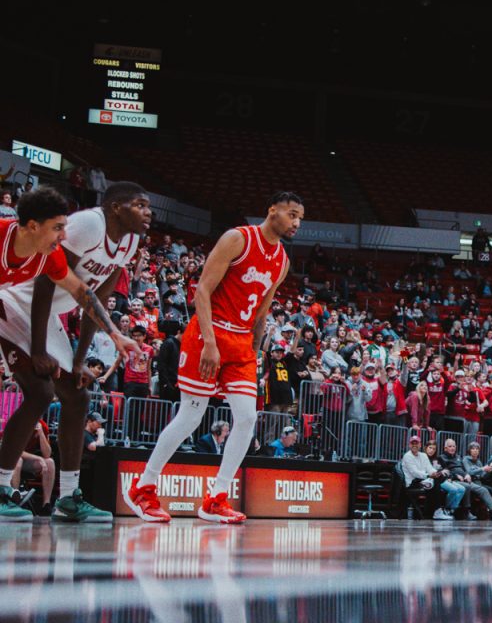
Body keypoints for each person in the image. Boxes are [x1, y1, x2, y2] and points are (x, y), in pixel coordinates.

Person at [123, 191, 303, 524]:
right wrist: (208, 342)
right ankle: (143, 486)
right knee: (191, 415)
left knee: (247, 419)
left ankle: (216, 498)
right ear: (272, 210)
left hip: (241, 342)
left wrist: (254, 350)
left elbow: (262, 312)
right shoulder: (238, 238)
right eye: (291, 214)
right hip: (210, 331)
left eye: (299, 218)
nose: (296, 223)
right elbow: (202, 289)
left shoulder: (282, 260)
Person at [0, 185, 146, 523]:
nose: (64, 235)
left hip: (28, 311)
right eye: (57, 228)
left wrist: (114, 333)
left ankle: (67, 497)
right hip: (12, 305)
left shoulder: (50, 254)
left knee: (69, 396)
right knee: (40, 391)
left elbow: (82, 292)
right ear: (32, 226)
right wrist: (37, 351)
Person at [441, 439, 492, 520]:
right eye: (473, 449)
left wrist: (489, 469)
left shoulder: (459, 457)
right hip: (461, 480)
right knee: (481, 489)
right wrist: (482, 469)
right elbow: (467, 471)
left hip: (473, 481)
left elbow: (482, 476)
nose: (475, 451)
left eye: (477, 449)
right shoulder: (464, 459)